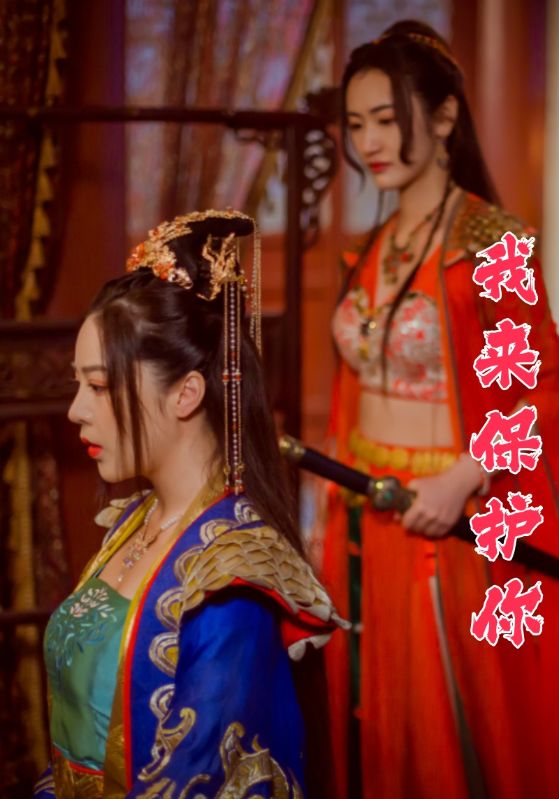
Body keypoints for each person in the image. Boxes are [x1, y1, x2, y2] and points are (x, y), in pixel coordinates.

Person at [320, 19, 559, 799]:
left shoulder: (492, 242)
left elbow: (545, 389)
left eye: (387, 120)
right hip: (368, 512)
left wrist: (466, 474)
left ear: (446, 115)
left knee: (460, 732)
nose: (368, 143)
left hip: (453, 523)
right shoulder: (373, 244)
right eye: (356, 124)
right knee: (379, 729)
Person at [33, 210, 345, 799]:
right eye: (80, 385)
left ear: (186, 393)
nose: (76, 410)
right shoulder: (134, 523)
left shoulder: (230, 578)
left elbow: (197, 779)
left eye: (98, 387)